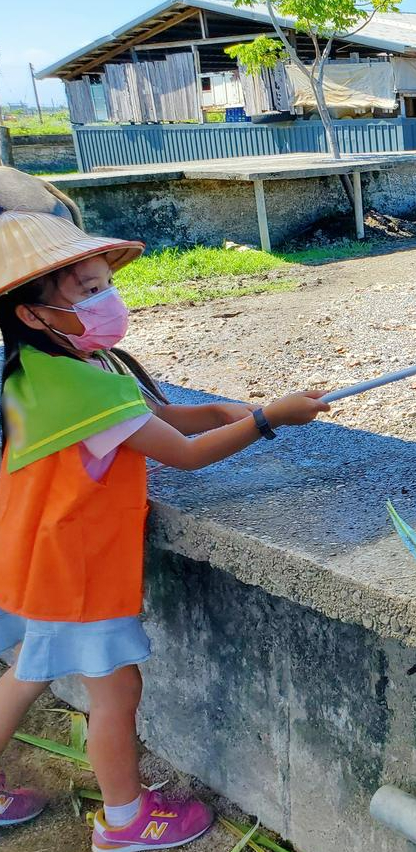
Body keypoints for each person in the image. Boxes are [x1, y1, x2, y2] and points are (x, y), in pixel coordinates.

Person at [0, 210, 329, 850]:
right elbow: (182, 453)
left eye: (105, 284)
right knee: (118, 691)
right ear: (35, 314)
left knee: (25, 674)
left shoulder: (47, 368)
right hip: (76, 568)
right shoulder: (79, 385)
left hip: (34, 555)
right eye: (87, 291)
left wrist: (227, 410)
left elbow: (164, 417)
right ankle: (124, 822)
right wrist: (267, 421)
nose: (107, 300)